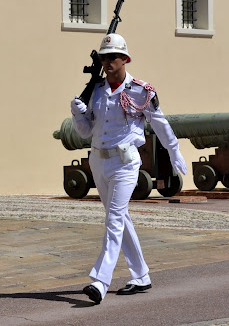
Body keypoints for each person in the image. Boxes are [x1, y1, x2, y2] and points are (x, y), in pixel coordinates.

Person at [70, 33, 187, 305]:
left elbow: (160, 123)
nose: (108, 62)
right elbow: (86, 131)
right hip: (98, 160)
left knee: (113, 220)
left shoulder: (141, 90)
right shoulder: (96, 90)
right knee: (119, 218)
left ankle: (100, 280)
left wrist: (174, 151)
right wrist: (77, 113)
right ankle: (141, 275)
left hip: (125, 163)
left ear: (125, 59)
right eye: (104, 57)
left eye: (113, 57)